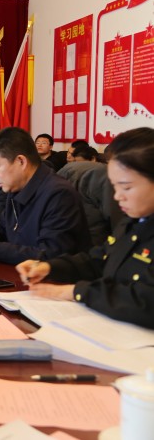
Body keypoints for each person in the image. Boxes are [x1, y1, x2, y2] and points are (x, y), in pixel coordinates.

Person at [16, 127, 154, 329]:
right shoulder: (134, 220)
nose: (117, 196)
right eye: (114, 187)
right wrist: (50, 267)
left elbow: (146, 301)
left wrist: (76, 292)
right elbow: (99, 260)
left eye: (126, 187)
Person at [0, 127, 91, 265]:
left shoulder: (58, 194)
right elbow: (1, 228)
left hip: (51, 281)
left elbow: (51, 255)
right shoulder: (17, 187)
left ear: (21, 161)